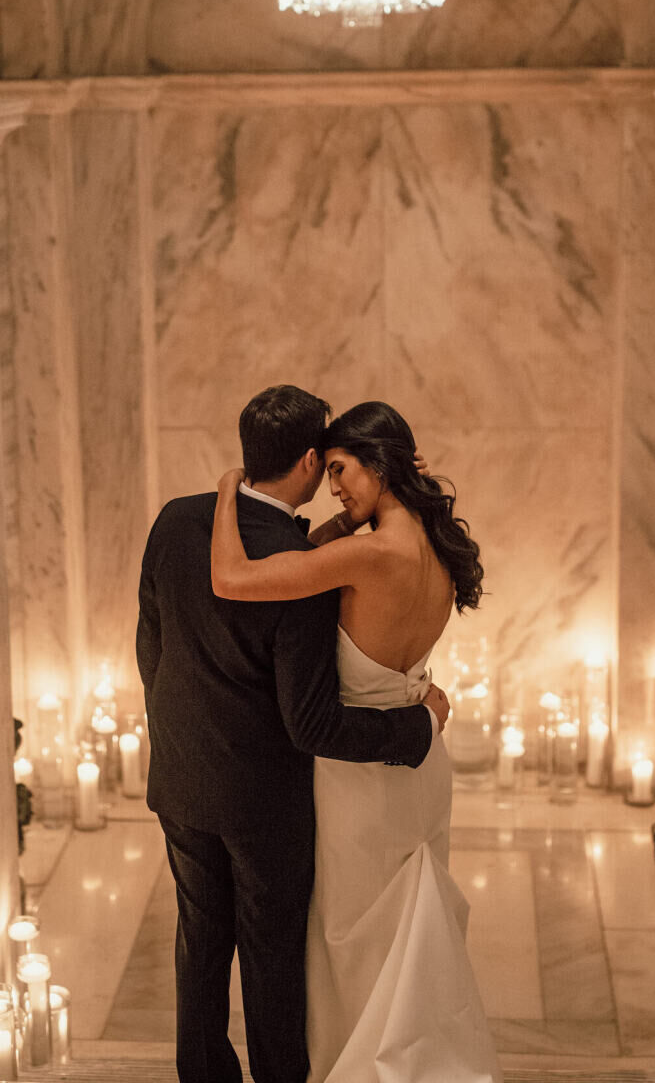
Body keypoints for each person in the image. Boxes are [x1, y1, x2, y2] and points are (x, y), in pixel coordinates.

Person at [136, 385, 449, 1083]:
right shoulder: (304, 570)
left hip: (181, 780)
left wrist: (175, 736)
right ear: (310, 461)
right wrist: (416, 725)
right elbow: (310, 723)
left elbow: (149, 647)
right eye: (329, 467)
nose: (333, 482)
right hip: (265, 805)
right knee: (273, 955)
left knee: (200, 945)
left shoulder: (176, 520)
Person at [211, 400, 502, 1083]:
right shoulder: (433, 548)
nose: (334, 486)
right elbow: (325, 553)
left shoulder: (367, 555)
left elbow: (233, 578)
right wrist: (365, 503)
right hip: (420, 763)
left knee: (352, 942)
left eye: (342, 470)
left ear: (379, 463)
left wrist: (227, 491)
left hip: (358, 779)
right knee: (405, 936)